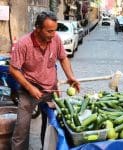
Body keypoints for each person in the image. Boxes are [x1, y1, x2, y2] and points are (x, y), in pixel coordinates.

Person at [9, 11, 80, 150]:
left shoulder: (56, 39)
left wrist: (70, 76)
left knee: (51, 126)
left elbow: (63, 58)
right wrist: (30, 88)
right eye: (49, 31)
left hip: (50, 90)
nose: (53, 34)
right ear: (37, 28)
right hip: (29, 90)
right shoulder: (24, 44)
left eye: (54, 30)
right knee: (21, 130)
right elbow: (13, 69)